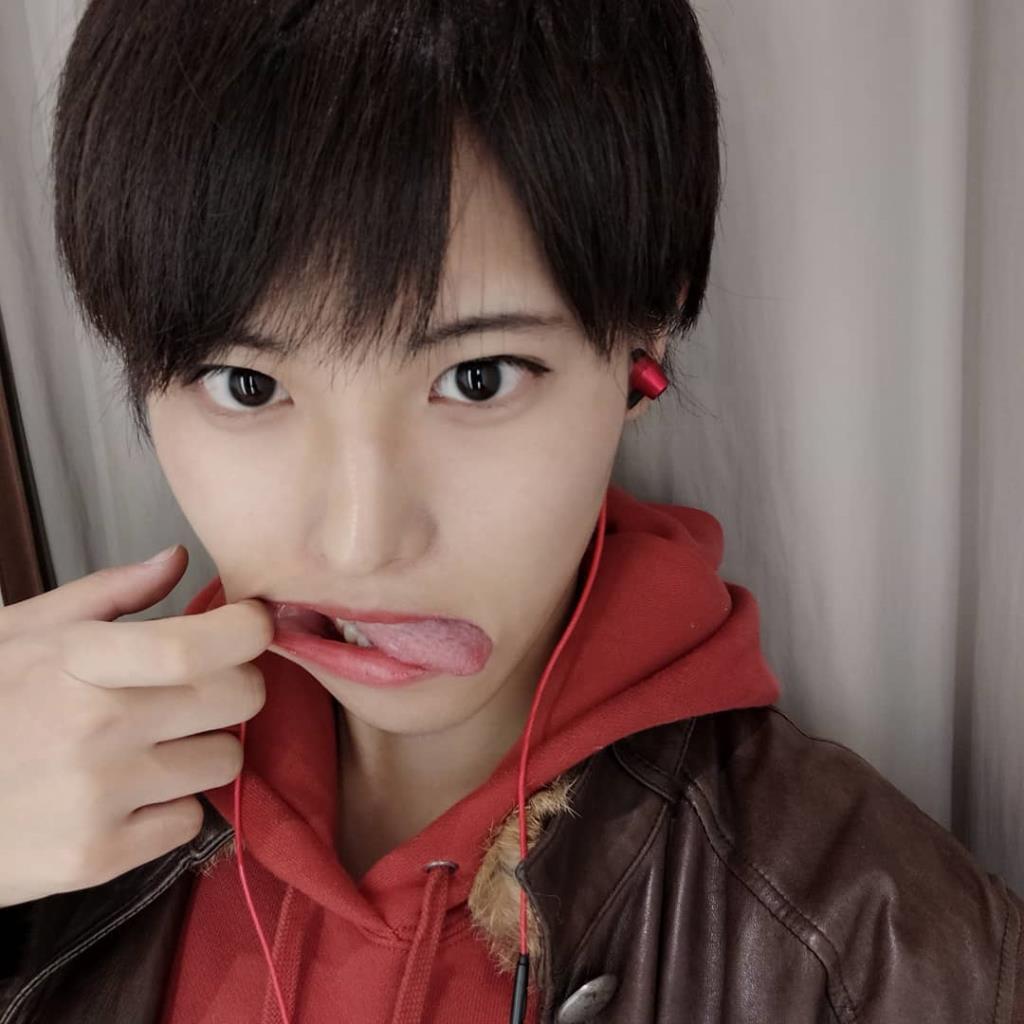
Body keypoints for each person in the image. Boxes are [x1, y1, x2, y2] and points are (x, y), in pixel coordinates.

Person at [1, 1, 1021, 1021]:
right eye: (248, 386)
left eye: (478, 377)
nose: (363, 540)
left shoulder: (879, 954)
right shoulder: (44, 813)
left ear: (644, 344)